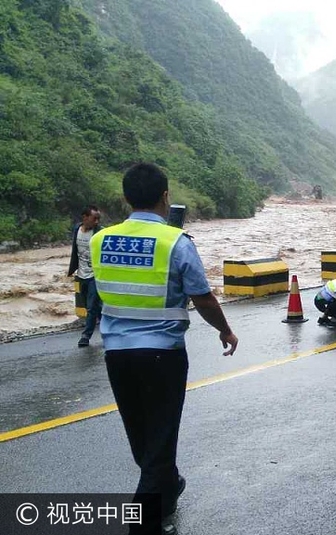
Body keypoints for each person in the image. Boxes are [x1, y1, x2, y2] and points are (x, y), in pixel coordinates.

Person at [90, 163, 238, 535]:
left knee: (141, 434)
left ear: (125, 198)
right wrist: (226, 331)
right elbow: (202, 297)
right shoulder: (176, 242)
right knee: (160, 438)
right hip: (162, 355)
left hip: (116, 354)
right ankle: (144, 522)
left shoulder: (100, 239)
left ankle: (168, 487)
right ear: (165, 197)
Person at [68, 205, 103, 347]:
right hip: (81, 274)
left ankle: (85, 337)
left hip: (95, 275)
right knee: (96, 307)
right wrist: (72, 270)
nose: (96, 222)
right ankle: (110, 330)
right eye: (94, 218)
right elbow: (75, 252)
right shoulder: (77, 229)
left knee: (91, 306)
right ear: (85, 217)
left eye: (98, 219)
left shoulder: (100, 232)